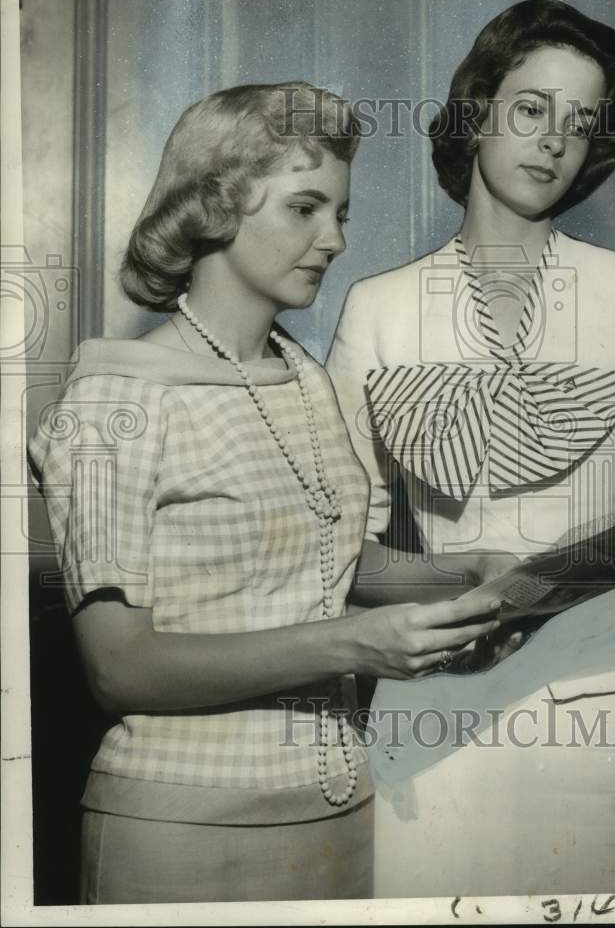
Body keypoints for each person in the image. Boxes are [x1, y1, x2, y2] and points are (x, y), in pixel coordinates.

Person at [27, 82, 504, 905]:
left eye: (342, 215)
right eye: (305, 208)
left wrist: (472, 572)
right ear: (216, 206)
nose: (334, 239)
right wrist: (353, 646)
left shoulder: (308, 380)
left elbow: (329, 562)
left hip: (339, 817)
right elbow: (118, 668)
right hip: (181, 830)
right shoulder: (117, 396)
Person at [326, 0, 615, 897]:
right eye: (532, 109)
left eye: (579, 126)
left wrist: (558, 582)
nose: (552, 142)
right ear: (478, 113)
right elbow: (339, 546)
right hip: (435, 701)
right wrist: (454, 581)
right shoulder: (379, 307)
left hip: (611, 694)